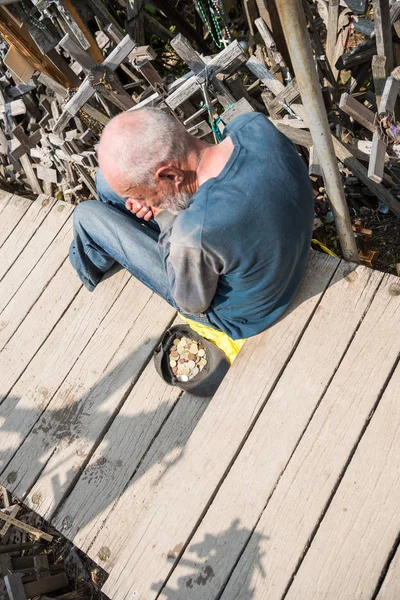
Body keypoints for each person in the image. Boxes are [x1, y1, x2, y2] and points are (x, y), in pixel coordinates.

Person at [70, 108, 314, 340]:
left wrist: (163, 217)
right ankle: (106, 245)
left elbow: (192, 302)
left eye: (142, 197)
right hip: (283, 245)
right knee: (103, 181)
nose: (139, 203)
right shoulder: (253, 125)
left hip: (244, 315)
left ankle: (90, 266)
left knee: (87, 215)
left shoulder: (192, 231)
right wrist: (151, 198)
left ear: (170, 175)